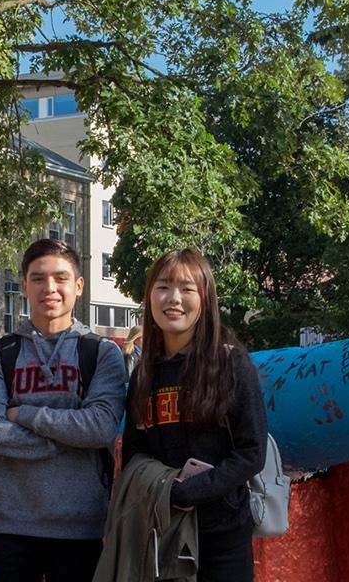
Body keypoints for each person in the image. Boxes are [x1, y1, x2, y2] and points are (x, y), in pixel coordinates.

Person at [0, 238, 126, 582]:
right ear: (24, 285)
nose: (50, 288)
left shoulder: (101, 353)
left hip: (80, 526)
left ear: (79, 285)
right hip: (10, 523)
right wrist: (65, 439)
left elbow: (101, 428)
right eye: (38, 278)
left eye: (61, 278)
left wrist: (22, 414)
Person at [118, 249, 267, 581]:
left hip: (223, 534)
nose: (174, 299)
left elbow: (252, 452)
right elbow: (134, 451)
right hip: (163, 531)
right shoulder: (144, 374)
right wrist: (162, 490)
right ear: (150, 296)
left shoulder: (232, 364)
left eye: (187, 289)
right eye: (163, 287)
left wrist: (189, 491)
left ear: (205, 298)